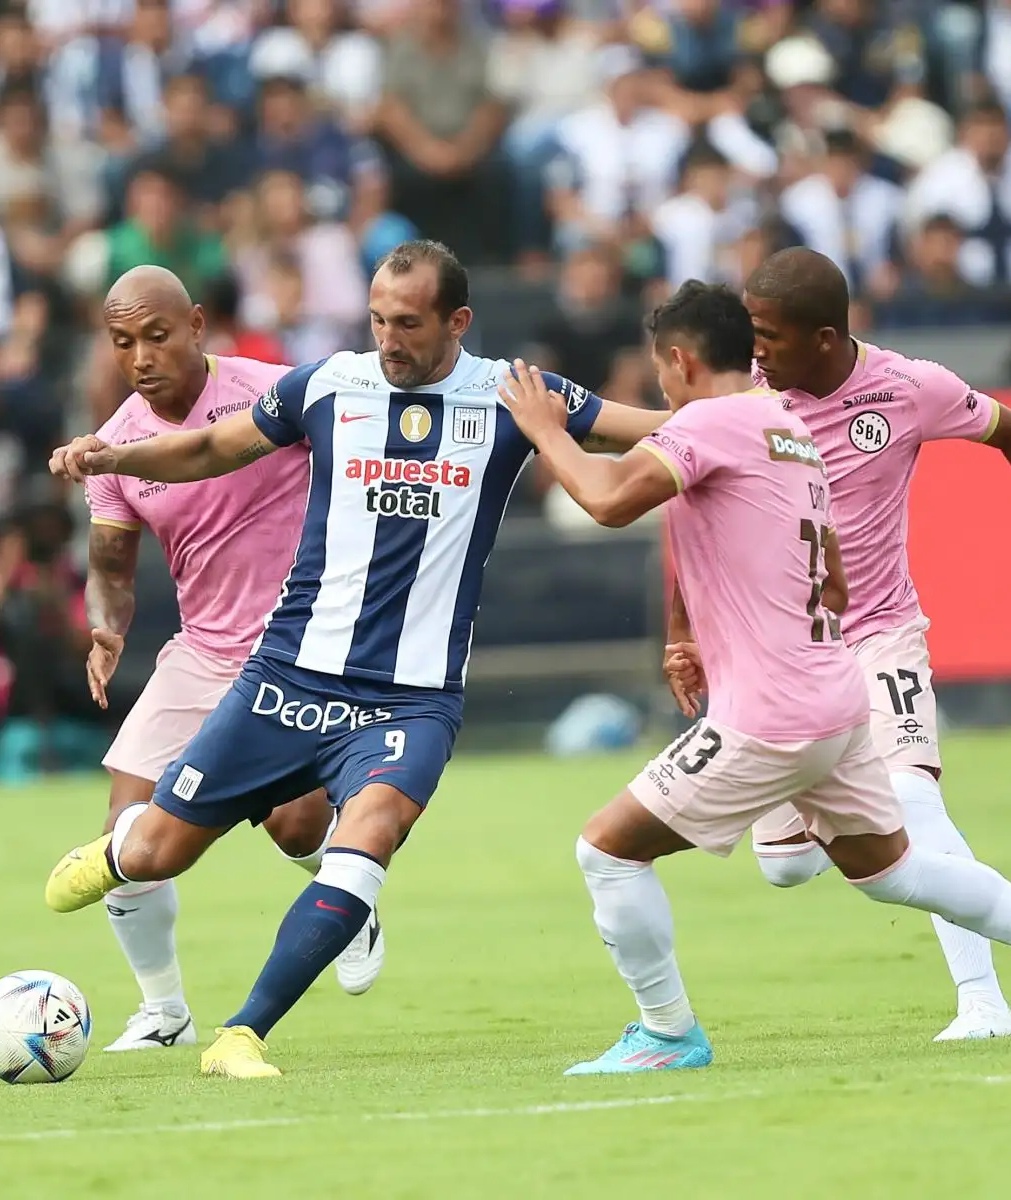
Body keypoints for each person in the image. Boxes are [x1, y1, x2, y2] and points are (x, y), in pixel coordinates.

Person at [42, 241, 669, 1078]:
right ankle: (124, 865)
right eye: (377, 319)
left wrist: (761, 417)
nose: (389, 340)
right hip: (289, 674)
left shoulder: (515, 395)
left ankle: (240, 1035)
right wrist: (112, 457)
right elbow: (202, 452)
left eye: (407, 324)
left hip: (412, 700)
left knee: (360, 841)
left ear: (458, 322)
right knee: (151, 854)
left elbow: (651, 431)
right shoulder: (328, 385)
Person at [492, 282, 1011, 1074]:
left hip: (769, 715)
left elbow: (603, 499)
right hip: (835, 693)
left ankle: (668, 1034)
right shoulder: (788, 427)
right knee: (894, 872)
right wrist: (710, 619)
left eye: (659, 371)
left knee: (606, 852)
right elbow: (834, 580)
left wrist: (543, 431)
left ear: (679, 360)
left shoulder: (715, 420)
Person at [671, 247, 1011, 1043]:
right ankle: (828, 810)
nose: (753, 348)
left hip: (881, 637)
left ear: (823, 337)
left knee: (913, 806)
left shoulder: (908, 389)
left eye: (767, 333)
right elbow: (691, 503)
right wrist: (685, 634)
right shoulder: (743, 401)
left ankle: (984, 1003)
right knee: (786, 865)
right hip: (781, 659)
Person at [77, 265, 377, 1054]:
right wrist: (106, 628)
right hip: (203, 651)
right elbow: (110, 567)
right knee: (126, 837)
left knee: (293, 827)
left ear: (199, 325)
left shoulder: (274, 392)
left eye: (156, 335)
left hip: (298, 651)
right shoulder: (115, 446)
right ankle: (163, 1011)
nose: (140, 356)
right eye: (122, 342)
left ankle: (352, 894)